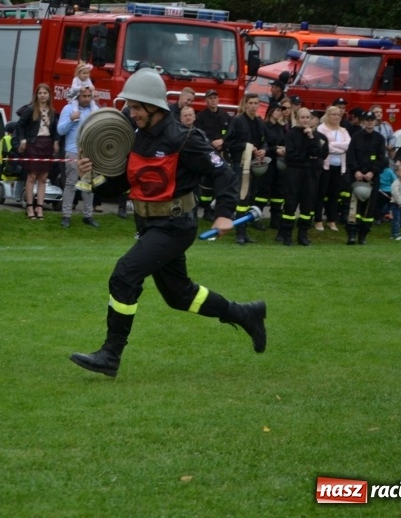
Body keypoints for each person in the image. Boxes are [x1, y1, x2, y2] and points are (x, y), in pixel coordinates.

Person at [68, 68, 266, 378]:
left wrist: (226, 213)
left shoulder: (185, 137)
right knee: (179, 295)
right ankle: (245, 314)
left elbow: (224, 173)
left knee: (124, 274)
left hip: (176, 226)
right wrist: (91, 176)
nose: (131, 113)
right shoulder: (135, 137)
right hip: (149, 226)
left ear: (153, 107)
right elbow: (120, 185)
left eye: (135, 107)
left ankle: (111, 354)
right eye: (130, 107)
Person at [278, 107, 329, 246]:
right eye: (303, 117)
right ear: (298, 119)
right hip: (294, 173)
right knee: (290, 204)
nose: (306, 120)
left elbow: (320, 154)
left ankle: (303, 235)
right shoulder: (291, 134)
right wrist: (308, 157)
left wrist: (311, 137)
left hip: (311, 174)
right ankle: (286, 234)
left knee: (307, 206)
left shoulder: (319, 137)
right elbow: (291, 154)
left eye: (308, 117)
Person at [223, 92, 268, 244]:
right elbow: (228, 143)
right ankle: (239, 233)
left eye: (256, 103)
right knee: (242, 198)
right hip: (241, 165)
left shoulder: (259, 122)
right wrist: (247, 147)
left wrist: (263, 150)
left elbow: (265, 141)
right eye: (251, 103)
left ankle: (244, 232)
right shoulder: (237, 121)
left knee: (250, 198)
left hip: (255, 165)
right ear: (245, 104)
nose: (254, 106)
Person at [16, 83, 60, 221]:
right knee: (31, 177)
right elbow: (20, 125)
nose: (42, 95)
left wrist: (55, 142)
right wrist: (23, 140)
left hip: (46, 145)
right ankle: (29, 206)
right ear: (36, 95)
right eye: (40, 93)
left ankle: (39, 207)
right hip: (33, 144)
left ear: (49, 95)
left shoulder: (52, 112)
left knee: (43, 178)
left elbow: (55, 130)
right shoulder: (30, 110)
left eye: (45, 93)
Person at [57, 85, 97, 228]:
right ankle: (66, 215)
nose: (86, 99)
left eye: (88, 96)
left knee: (88, 185)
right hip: (73, 151)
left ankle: (88, 215)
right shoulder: (68, 109)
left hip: (89, 153)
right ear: (77, 97)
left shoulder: (94, 110)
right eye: (83, 96)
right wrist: (71, 120)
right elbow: (60, 130)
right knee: (71, 183)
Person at [345, 111, 387, 244]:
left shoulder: (380, 139)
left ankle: (363, 235)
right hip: (356, 177)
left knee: (369, 209)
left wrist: (372, 172)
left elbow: (381, 159)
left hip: (372, 178)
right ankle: (351, 234)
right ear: (363, 122)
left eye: (372, 120)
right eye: (367, 120)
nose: (369, 122)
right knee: (353, 207)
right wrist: (356, 171)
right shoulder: (356, 137)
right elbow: (350, 156)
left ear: (375, 121)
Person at [194, 89, 231, 220]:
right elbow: (198, 134)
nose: (213, 100)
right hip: (207, 154)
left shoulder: (225, 116)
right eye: (210, 98)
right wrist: (210, 143)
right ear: (206, 100)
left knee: (221, 182)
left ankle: (217, 209)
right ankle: (207, 209)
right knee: (207, 184)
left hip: (222, 153)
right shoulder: (200, 117)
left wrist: (223, 141)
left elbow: (230, 133)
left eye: (215, 97)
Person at [314, 106, 351, 232]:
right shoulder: (321, 129)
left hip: (339, 166)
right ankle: (318, 220)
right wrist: (338, 149)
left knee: (334, 194)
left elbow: (348, 145)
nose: (336, 117)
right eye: (333, 114)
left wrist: (334, 146)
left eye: (338, 115)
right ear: (328, 115)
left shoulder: (343, 130)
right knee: (321, 193)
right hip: (325, 166)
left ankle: (331, 220)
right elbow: (325, 147)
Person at [260, 101, 287, 232]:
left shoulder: (280, 127)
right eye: (277, 110)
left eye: (280, 110)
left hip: (279, 163)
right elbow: (264, 145)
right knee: (263, 191)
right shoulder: (264, 126)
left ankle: (275, 219)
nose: (279, 112)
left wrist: (283, 148)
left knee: (278, 191)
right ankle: (256, 218)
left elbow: (283, 140)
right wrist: (275, 148)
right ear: (270, 111)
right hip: (268, 162)